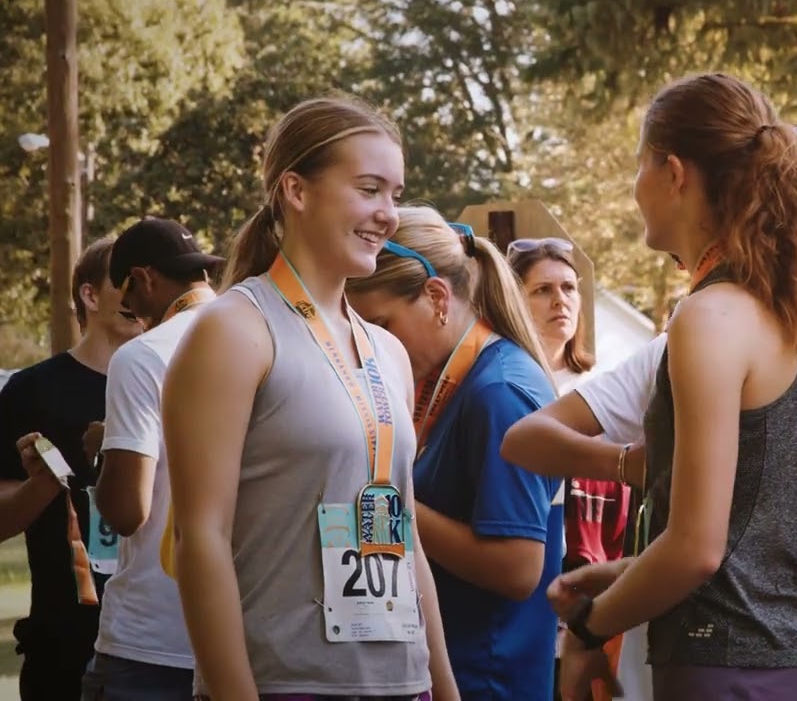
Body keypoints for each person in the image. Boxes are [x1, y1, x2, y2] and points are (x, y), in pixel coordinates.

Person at [502, 135, 797, 701]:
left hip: (751, 652)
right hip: (696, 644)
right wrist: (632, 469)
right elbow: (527, 440)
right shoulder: (691, 335)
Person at [162, 98, 456, 701]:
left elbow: (405, 540)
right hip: (286, 682)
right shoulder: (234, 331)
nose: (388, 214)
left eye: (396, 194)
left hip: (402, 684)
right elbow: (201, 537)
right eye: (369, 189)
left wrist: (443, 688)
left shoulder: (388, 351)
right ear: (295, 190)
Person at [344, 207, 563, 701]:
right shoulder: (470, 379)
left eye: (379, 324)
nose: (368, 347)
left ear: (437, 298)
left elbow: (518, 569)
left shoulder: (498, 392)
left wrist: (392, 503)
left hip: (486, 679)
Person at [76, 216, 222, 700]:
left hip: (151, 641)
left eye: (130, 304)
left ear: (143, 280)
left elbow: (126, 512)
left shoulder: (142, 356)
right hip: (238, 634)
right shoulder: (262, 339)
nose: (135, 318)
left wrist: (107, 450)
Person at [0, 237, 142, 700]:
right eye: (127, 282)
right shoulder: (32, 390)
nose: (141, 296)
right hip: (63, 645)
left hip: (160, 645)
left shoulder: (174, 385)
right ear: (90, 295)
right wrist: (43, 484)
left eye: (148, 283)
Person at [507, 237, 630, 574]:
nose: (560, 300)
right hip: (526, 561)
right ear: (514, 302)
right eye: (542, 290)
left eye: (568, 288)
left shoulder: (606, 388)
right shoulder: (503, 384)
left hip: (596, 570)